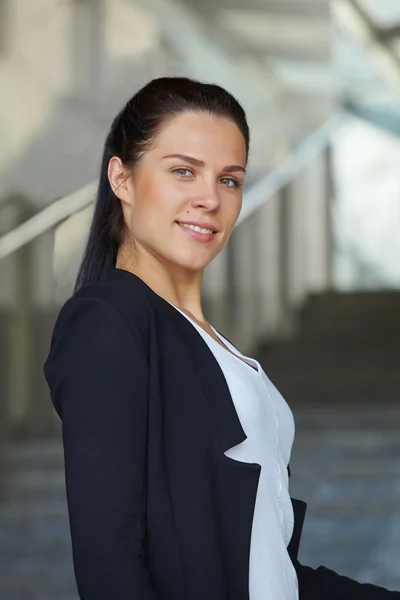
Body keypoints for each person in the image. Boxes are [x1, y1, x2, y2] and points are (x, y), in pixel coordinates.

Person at [44, 77, 399, 600]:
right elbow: (109, 562)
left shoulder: (218, 347)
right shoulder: (109, 320)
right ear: (121, 177)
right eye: (183, 171)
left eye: (230, 180)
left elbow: (265, 566)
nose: (209, 198)